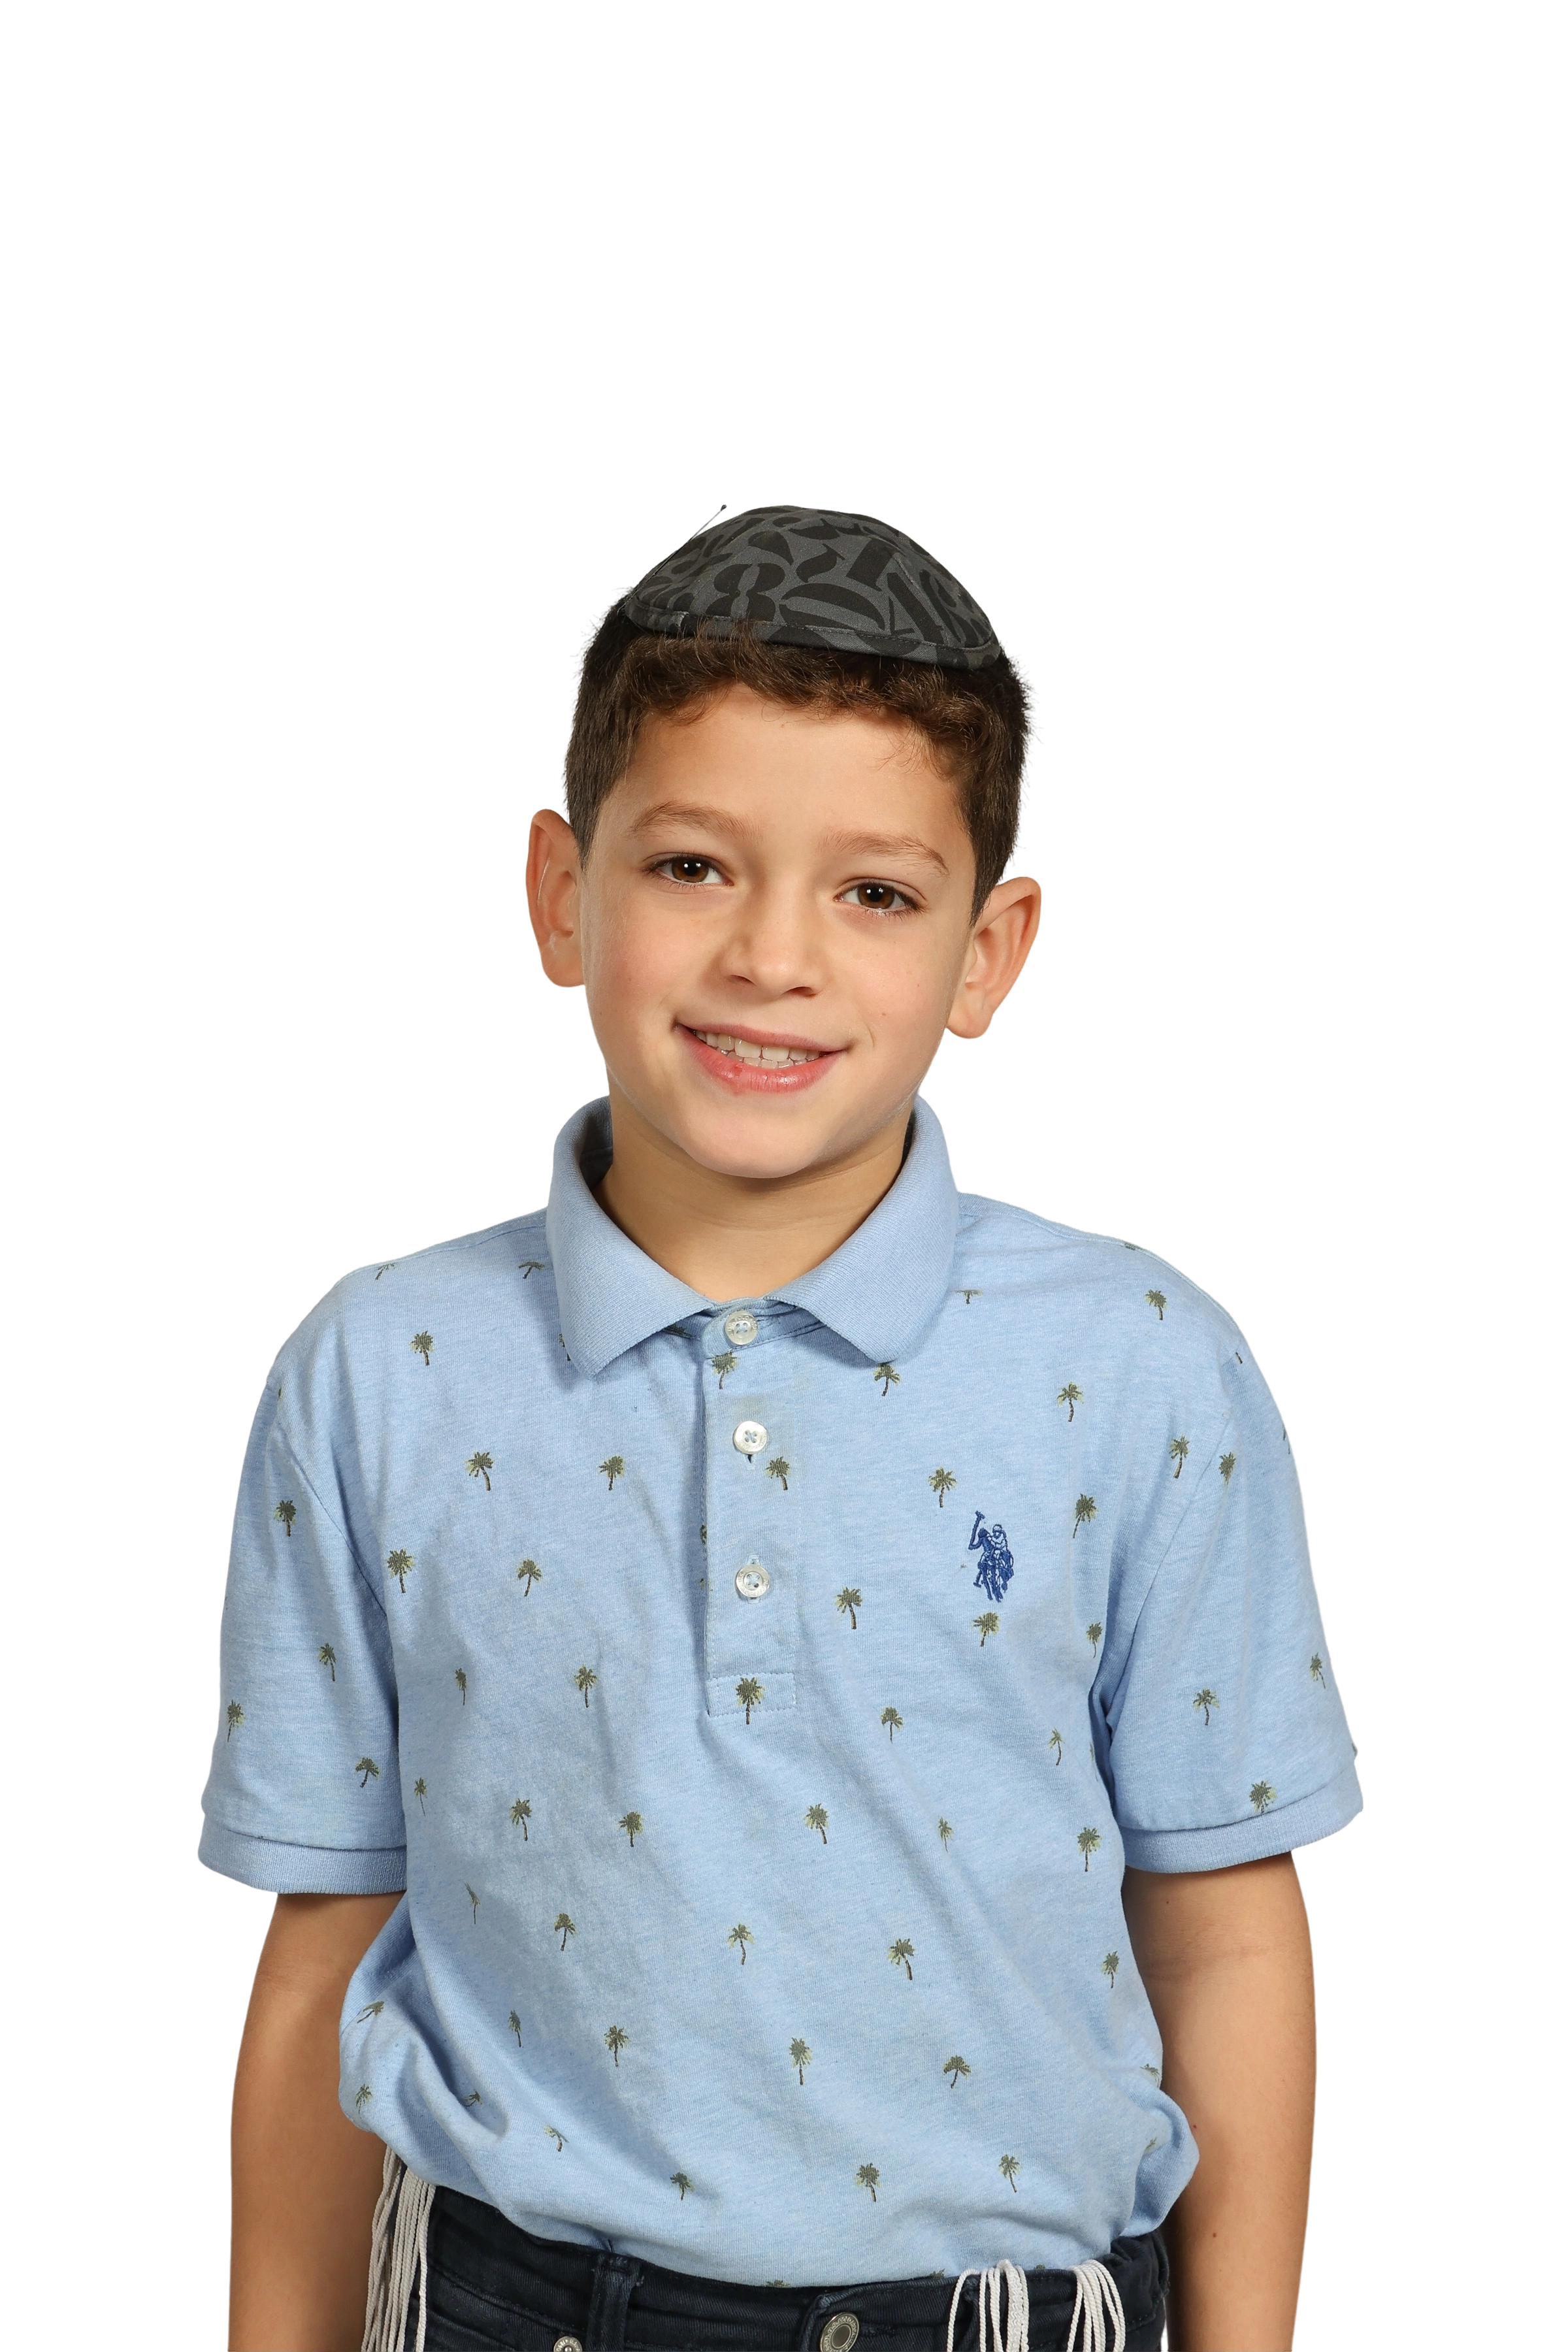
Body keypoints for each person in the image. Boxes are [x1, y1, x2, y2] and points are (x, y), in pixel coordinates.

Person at [198, 503, 1364, 2352]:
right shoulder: (380, 1370)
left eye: (874, 893)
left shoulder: (1144, 1367)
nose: (771, 957)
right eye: (692, 866)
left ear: (990, 951)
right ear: (560, 893)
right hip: (513, 2303)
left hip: (1003, 2310)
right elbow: (329, 1936)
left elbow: (1222, 1927)